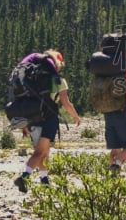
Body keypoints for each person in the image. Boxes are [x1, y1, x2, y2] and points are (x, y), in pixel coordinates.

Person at [14, 50, 81, 192]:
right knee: (39, 152)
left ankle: (45, 182)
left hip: (32, 118)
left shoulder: (32, 79)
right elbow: (65, 102)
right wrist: (75, 116)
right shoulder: (59, 80)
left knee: (44, 153)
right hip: (49, 119)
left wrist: (24, 124)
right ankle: (24, 177)